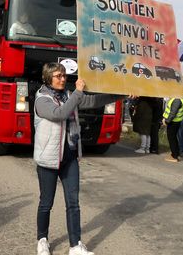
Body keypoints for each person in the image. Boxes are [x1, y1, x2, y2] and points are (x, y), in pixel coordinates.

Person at [34, 62, 121, 255]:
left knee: (73, 203)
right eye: (58, 76)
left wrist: (121, 94)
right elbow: (60, 114)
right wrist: (78, 92)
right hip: (48, 159)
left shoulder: (68, 95)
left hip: (70, 157)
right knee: (46, 203)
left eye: (64, 76)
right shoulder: (42, 99)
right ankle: (42, 240)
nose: (63, 79)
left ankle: (75, 245)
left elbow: (93, 101)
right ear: (48, 78)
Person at [162, 94, 183, 162]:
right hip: (177, 121)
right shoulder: (182, 97)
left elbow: (173, 113)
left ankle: (174, 156)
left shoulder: (177, 100)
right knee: (174, 138)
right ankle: (175, 153)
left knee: (171, 139)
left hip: (173, 122)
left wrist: (167, 121)